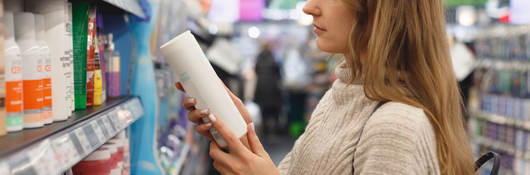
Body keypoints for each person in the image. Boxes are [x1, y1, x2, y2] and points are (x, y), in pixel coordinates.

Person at [176, 0, 475, 174]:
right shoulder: (340, 96)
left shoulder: (396, 127)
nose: (308, 7)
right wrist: (243, 137)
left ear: (377, 9)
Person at [253, 42, 283, 136]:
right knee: (274, 110)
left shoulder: (259, 57)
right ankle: (274, 130)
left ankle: (265, 130)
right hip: (273, 87)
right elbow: (278, 72)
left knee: (263, 110)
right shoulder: (273, 57)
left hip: (261, 87)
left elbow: (256, 70)